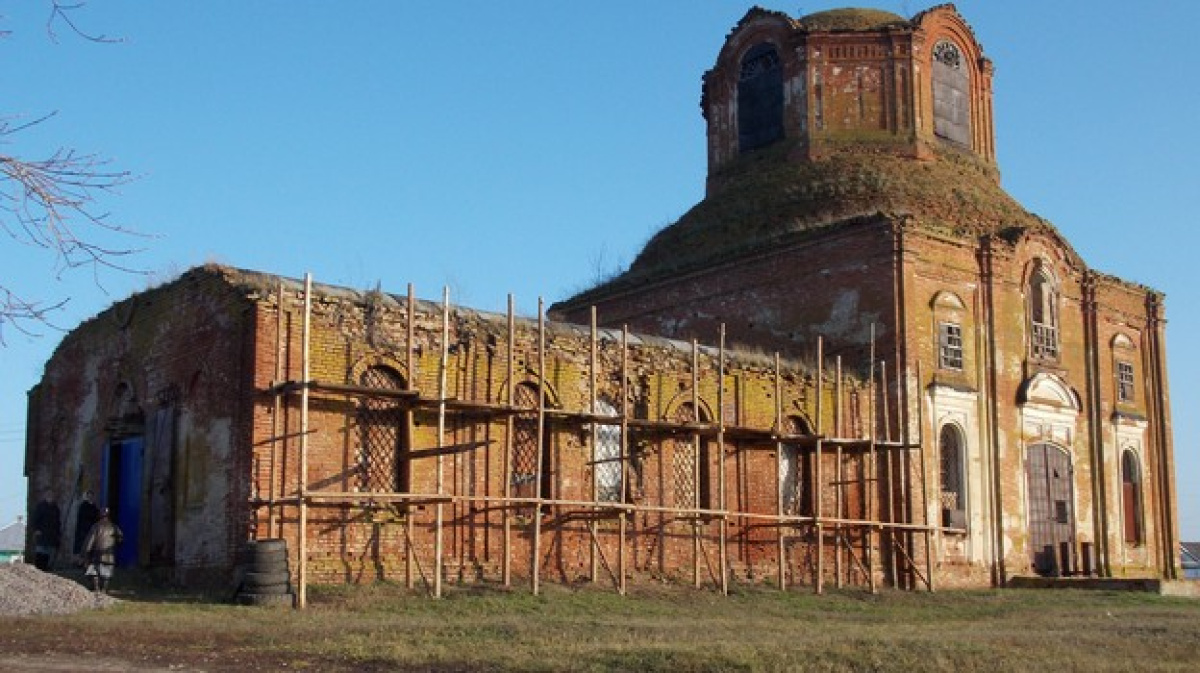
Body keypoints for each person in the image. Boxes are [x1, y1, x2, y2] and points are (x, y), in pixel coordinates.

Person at [82, 508, 123, 594]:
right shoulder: (114, 527)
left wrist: (86, 553)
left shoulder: (96, 526)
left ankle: (96, 589)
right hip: (109, 555)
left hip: (97, 553)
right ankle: (104, 590)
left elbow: (90, 541)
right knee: (106, 573)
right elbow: (120, 540)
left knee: (94, 571)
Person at [32, 490, 62, 571]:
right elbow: (35, 519)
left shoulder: (55, 508)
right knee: (40, 553)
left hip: (51, 535)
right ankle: (38, 571)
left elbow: (58, 522)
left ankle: (45, 570)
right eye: (49, 495)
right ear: (46, 496)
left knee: (48, 554)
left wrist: (58, 534)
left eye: (52, 496)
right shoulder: (41, 506)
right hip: (42, 533)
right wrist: (36, 529)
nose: (51, 497)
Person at [74, 490, 100, 559]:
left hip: (92, 530)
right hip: (84, 530)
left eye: (91, 496)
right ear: (87, 497)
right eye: (89, 496)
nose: (90, 497)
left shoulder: (94, 507)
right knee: (84, 546)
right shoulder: (83, 506)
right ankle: (82, 561)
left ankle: (88, 561)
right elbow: (81, 519)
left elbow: (97, 518)